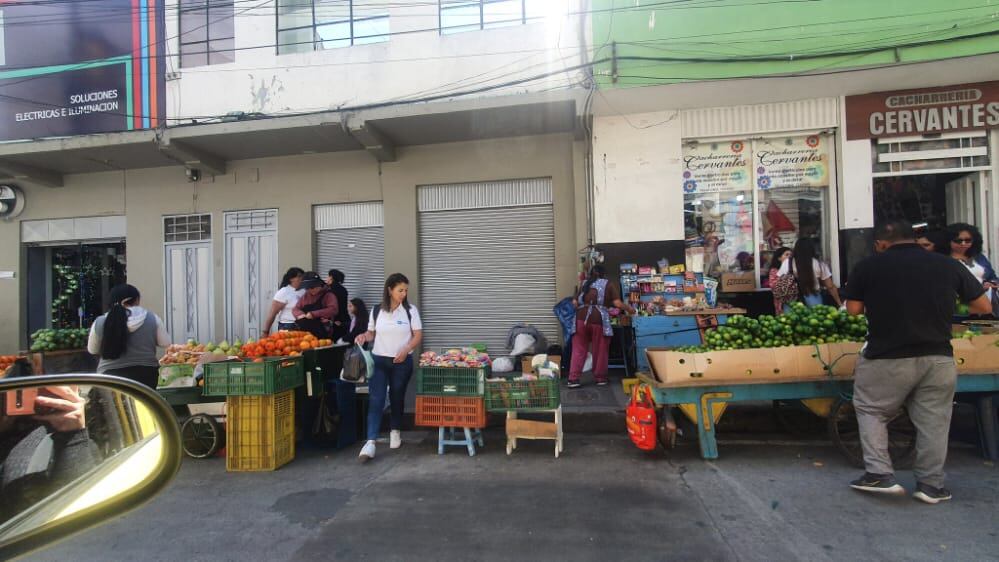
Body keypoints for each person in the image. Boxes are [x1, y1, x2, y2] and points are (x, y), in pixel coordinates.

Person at [844, 220, 990, 504]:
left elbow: (853, 309)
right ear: (916, 238)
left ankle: (879, 474)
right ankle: (931, 486)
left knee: (872, 409)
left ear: (881, 244)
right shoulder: (948, 265)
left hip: (886, 356)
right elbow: (983, 307)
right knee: (934, 421)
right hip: (938, 357)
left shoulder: (869, 266)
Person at [354, 274, 423, 461]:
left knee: (397, 396)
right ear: (389, 290)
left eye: (406, 290)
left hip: (402, 362)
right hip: (379, 360)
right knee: (376, 399)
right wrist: (363, 336)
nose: (404, 294)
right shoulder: (377, 311)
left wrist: (407, 348)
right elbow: (371, 333)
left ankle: (395, 430)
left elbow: (417, 335)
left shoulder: (410, 311)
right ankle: (370, 442)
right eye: (400, 290)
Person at [87, 284, 171, 388]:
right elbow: (165, 343)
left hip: (109, 378)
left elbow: (92, 350)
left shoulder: (100, 322)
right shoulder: (152, 318)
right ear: (136, 300)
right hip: (147, 378)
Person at [567, 265, 635, 389]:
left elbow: (574, 302)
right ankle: (600, 378)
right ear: (603, 274)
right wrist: (630, 309)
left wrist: (584, 307)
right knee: (600, 349)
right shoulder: (608, 284)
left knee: (578, 350)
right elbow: (617, 303)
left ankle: (573, 379)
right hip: (598, 319)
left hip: (580, 319)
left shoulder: (584, 283)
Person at [778, 238, 842, 310]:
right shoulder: (819, 264)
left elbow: (780, 281)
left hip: (791, 299)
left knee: (791, 320)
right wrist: (839, 303)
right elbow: (830, 286)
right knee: (814, 319)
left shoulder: (787, 262)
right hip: (813, 297)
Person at [946, 222, 998, 292]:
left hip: (983, 298)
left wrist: (991, 283)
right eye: (958, 240)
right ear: (948, 241)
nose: (963, 243)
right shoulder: (942, 259)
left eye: (968, 240)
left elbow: (992, 277)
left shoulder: (979, 257)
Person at [293, 272, 337, 339]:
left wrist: (314, 314)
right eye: (308, 288)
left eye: (313, 287)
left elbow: (333, 310)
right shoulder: (306, 295)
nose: (311, 290)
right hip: (306, 333)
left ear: (319, 284)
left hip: (323, 331)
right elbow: (295, 308)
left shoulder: (328, 295)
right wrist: (300, 314)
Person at [262, 267, 305, 335]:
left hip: (302, 324)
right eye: (299, 276)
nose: (302, 278)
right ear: (291, 279)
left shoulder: (304, 290)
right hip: (288, 326)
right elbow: (273, 312)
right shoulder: (284, 292)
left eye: (303, 276)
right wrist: (266, 331)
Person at [327, 269, 351, 343]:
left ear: (331, 277)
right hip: (344, 318)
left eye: (328, 276)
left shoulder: (329, 289)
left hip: (334, 320)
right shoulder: (343, 289)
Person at [767, 246, 792, 314]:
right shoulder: (774, 270)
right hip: (782, 302)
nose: (789, 257)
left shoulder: (794, 269)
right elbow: (773, 285)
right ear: (779, 258)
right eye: (787, 255)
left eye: (791, 255)